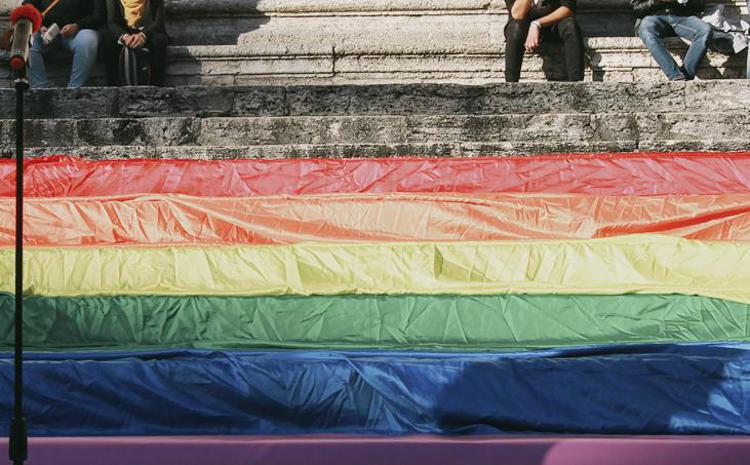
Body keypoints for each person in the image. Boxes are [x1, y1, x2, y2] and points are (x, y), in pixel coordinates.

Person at [23, 0, 104, 88]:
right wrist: (40, 25)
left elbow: (99, 16)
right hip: (46, 34)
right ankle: (40, 90)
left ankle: (74, 90)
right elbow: (27, 7)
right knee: (28, 40)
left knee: (89, 39)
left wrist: (77, 25)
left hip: (78, 33)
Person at [504, 0, 584, 82]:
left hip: (554, 21)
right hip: (523, 25)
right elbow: (518, 14)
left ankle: (577, 85)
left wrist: (537, 24)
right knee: (515, 30)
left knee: (570, 26)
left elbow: (568, 9)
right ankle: (510, 86)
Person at [631, 0, 712, 80]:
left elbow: (699, 6)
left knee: (704, 30)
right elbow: (636, 8)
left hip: (682, 16)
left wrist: (687, 1)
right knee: (646, 31)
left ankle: (686, 75)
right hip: (652, 17)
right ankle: (676, 75)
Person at [100, 0, 167, 86]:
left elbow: (158, 22)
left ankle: (156, 86)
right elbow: (112, 22)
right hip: (124, 32)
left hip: (148, 32)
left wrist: (143, 35)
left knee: (159, 40)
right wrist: (125, 36)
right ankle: (114, 85)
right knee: (106, 38)